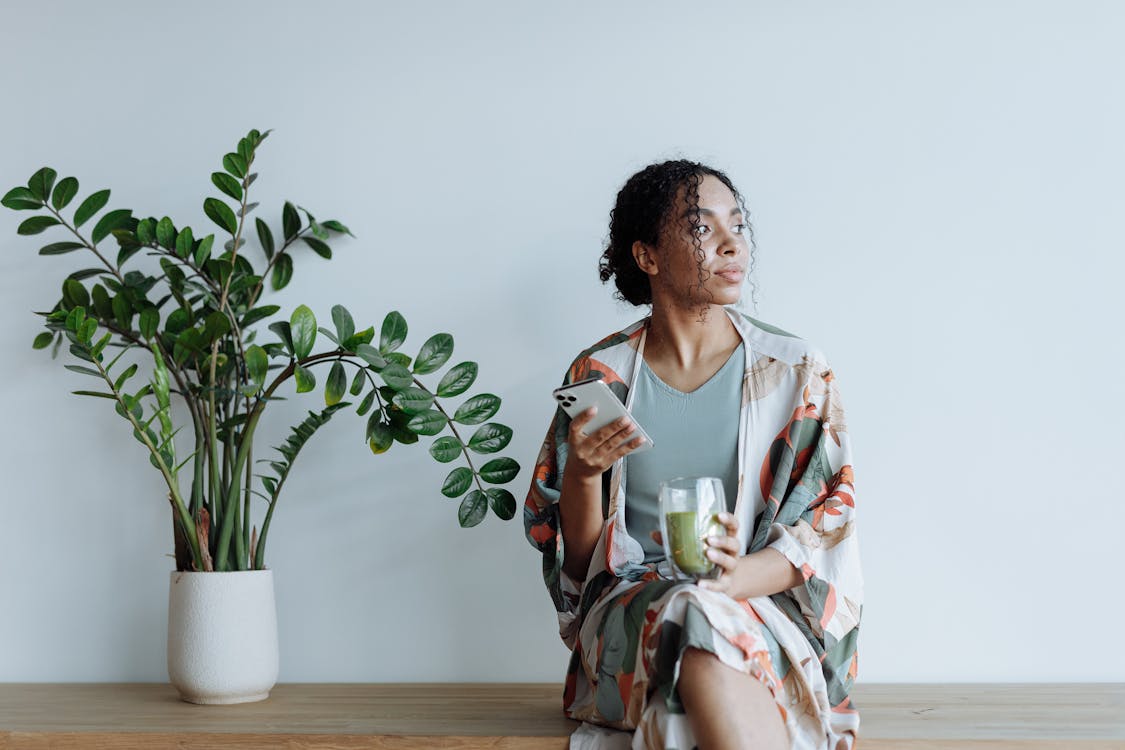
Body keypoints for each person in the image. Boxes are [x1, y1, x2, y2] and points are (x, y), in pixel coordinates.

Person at [523, 160, 864, 750]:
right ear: (648, 257)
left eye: (737, 222)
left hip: (759, 609)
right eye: (703, 228)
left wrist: (734, 578)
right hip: (630, 620)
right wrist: (581, 472)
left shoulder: (796, 373)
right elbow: (578, 571)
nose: (733, 242)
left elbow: (825, 531)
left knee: (698, 629)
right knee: (691, 610)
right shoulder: (599, 377)